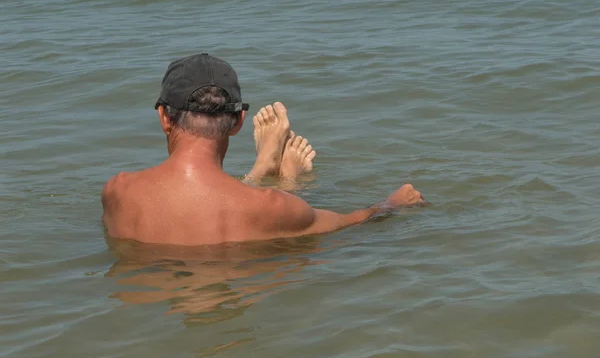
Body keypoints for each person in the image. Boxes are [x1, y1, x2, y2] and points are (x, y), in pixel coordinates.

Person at [101, 53, 425, 246]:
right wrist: (392, 203)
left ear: (163, 117)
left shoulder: (117, 192)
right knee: (284, 229)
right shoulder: (272, 208)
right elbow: (349, 223)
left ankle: (262, 170)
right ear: (239, 121)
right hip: (254, 256)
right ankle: (285, 179)